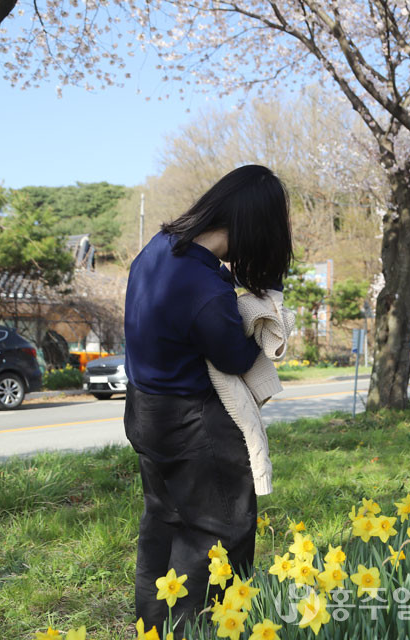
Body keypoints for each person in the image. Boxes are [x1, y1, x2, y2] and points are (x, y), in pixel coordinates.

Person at [122, 164, 293, 634]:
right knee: (218, 537)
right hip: (193, 425)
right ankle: (202, 631)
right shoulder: (204, 289)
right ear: (256, 230)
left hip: (144, 412)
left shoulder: (158, 248)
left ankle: (152, 629)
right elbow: (237, 357)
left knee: (162, 525)